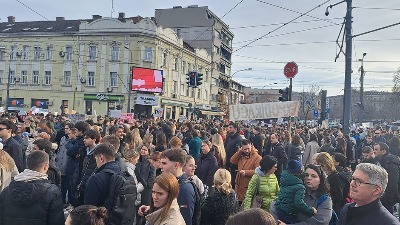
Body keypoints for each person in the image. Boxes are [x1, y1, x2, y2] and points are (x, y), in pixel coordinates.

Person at [0, 150, 65, 225]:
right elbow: (56, 221)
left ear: (27, 164)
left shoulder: (6, 191)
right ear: (46, 166)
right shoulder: (52, 192)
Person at [159, 149, 196, 225]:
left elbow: (185, 220)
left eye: (164, 163)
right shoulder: (173, 183)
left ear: (176, 165)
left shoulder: (184, 189)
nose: (160, 166)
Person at [230, 139, 262, 204]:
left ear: (251, 146)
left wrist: (246, 172)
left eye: (248, 148)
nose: (247, 151)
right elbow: (232, 160)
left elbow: (259, 171)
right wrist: (239, 152)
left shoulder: (257, 157)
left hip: (248, 186)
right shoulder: (241, 155)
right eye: (245, 149)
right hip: (239, 186)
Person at [374, 142, 400, 213]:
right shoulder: (381, 161)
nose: (374, 151)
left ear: (383, 151)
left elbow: (393, 183)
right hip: (381, 195)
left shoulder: (391, 164)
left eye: (376, 149)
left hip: (387, 199)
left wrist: (386, 199)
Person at [135, 144, 156, 225]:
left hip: (146, 190)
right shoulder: (138, 161)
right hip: (138, 188)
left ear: (149, 152)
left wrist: (147, 185)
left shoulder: (150, 163)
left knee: (144, 211)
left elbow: (152, 176)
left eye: (145, 150)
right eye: (142, 149)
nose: (143, 151)